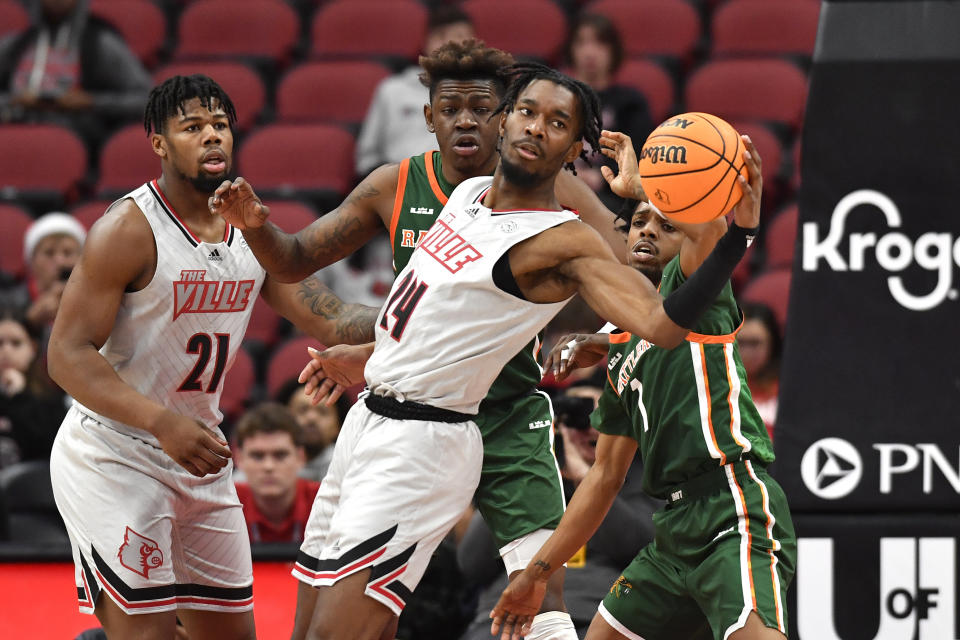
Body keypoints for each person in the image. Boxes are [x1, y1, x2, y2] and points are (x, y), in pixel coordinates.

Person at [216, 61, 761, 640]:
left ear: (576, 146)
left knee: (338, 634)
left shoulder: (563, 241)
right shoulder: (471, 194)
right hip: (367, 422)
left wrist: (735, 237)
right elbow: (425, 308)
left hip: (425, 439)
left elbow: (660, 323)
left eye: (556, 123)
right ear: (504, 122)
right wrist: (255, 230)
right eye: (527, 111)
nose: (535, 128)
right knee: (306, 632)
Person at [46, 74, 379, 640]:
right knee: (147, 633)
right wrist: (159, 422)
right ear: (159, 143)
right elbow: (64, 355)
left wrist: (426, 318)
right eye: (192, 127)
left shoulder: (250, 230)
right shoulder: (128, 229)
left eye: (220, 125)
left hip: (200, 454)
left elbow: (331, 316)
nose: (211, 137)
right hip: (114, 453)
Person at [490, 183, 795, 640]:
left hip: (732, 508)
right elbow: (604, 476)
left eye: (665, 224)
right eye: (638, 222)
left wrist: (643, 185)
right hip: (672, 531)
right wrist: (536, 573)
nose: (647, 232)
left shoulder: (692, 289)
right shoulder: (620, 352)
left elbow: (712, 228)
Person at [0, 0, 150, 150]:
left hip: (73, 143)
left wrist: (90, 102)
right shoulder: (16, 45)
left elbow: (145, 99)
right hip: (12, 135)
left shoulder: (100, 44)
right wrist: (14, 100)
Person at [354, 5, 476, 176]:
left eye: (465, 38)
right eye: (444, 37)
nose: (455, 46)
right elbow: (367, 159)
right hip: (398, 187)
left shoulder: (483, 95)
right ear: (427, 42)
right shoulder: (391, 90)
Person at [563, 13, 654, 209]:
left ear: (614, 51)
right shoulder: (556, 98)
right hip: (557, 189)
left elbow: (639, 160)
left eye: (599, 43)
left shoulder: (630, 103)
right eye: (581, 43)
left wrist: (601, 178)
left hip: (610, 197)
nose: (589, 52)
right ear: (571, 50)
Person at [233, 402, 321, 544]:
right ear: (239, 459)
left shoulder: (326, 501)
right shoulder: (222, 506)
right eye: (257, 456)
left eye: (280, 455)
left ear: (301, 457)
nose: (269, 466)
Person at [0, 305, 67, 467]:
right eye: (0, 343)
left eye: (16, 343)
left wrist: (19, 396)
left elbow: (47, 447)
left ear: (33, 348)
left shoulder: (50, 398)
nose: (6, 351)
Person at [0, 211, 85, 331]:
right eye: (49, 253)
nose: (60, 261)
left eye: (68, 253)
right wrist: (30, 322)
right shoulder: (8, 302)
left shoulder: (93, 299)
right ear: (32, 261)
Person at [275, 378, 352, 481]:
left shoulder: (352, 469)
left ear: (339, 426)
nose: (312, 418)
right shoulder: (261, 465)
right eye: (302, 410)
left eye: (323, 411)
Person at [737, 302, 782, 439]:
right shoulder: (711, 385)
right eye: (740, 342)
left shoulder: (788, 388)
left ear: (772, 344)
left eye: (754, 343)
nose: (746, 352)